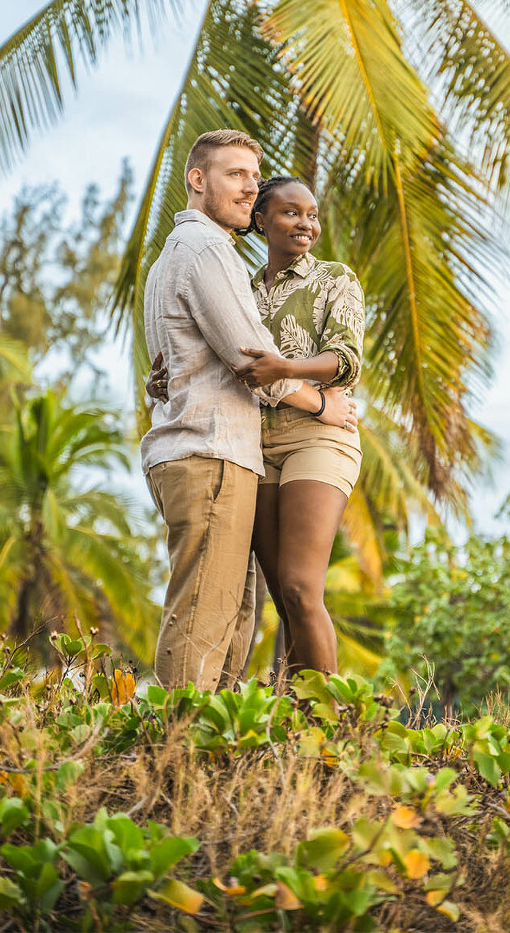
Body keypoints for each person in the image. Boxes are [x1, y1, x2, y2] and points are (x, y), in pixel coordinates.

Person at [141, 130, 356, 690]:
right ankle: (186, 748)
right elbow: (247, 357)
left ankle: (269, 734)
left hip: (236, 450)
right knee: (212, 612)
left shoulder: (172, 258)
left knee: (248, 604)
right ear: (198, 180)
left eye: (251, 177)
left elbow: (175, 365)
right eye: (235, 175)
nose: (247, 186)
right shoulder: (213, 254)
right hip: (217, 448)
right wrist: (318, 402)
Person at [234, 176, 364, 677]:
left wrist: (286, 368)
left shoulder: (335, 278)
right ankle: (299, 728)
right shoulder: (241, 291)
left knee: (300, 587)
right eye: (291, 213)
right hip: (256, 444)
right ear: (260, 220)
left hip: (319, 437)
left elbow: (347, 361)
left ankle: (331, 727)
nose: (305, 224)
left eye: (311, 214)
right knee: (285, 602)